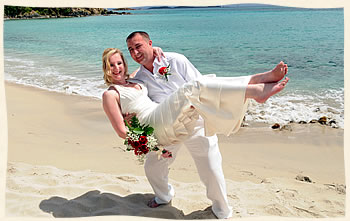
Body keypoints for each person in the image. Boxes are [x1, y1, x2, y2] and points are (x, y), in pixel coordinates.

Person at [102, 32, 288, 219]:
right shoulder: (139, 77)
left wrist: (156, 52)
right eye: (131, 50)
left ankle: (222, 210)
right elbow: (124, 92)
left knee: (211, 167)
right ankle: (163, 195)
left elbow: (207, 86)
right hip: (166, 125)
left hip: (194, 121)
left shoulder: (175, 60)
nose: (135, 52)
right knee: (153, 167)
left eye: (139, 46)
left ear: (150, 43)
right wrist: (132, 123)